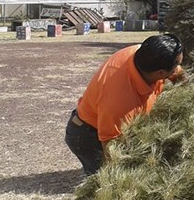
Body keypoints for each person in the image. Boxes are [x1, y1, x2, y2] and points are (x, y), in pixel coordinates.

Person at [65, 33, 184, 175]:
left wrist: (187, 88)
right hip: (89, 137)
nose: (178, 68)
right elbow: (111, 148)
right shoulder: (119, 101)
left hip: (112, 125)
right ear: (160, 73)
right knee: (106, 181)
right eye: (176, 64)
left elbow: (178, 75)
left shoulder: (145, 55)